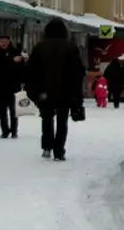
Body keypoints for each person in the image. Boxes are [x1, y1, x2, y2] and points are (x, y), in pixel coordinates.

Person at [24, 18, 86, 161]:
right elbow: (77, 72)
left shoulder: (39, 47)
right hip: (65, 92)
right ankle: (59, 150)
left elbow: (31, 70)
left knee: (46, 118)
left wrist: (35, 90)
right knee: (62, 121)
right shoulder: (71, 48)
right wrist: (76, 95)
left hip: (44, 92)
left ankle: (47, 147)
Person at [0, 34, 24, 138]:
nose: (3, 43)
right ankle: (5, 130)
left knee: (13, 110)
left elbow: (21, 69)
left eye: (5, 41)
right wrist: (12, 61)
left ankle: (14, 131)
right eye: (1, 41)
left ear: (9, 42)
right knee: (2, 111)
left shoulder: (16, 53)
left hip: (13, 86)